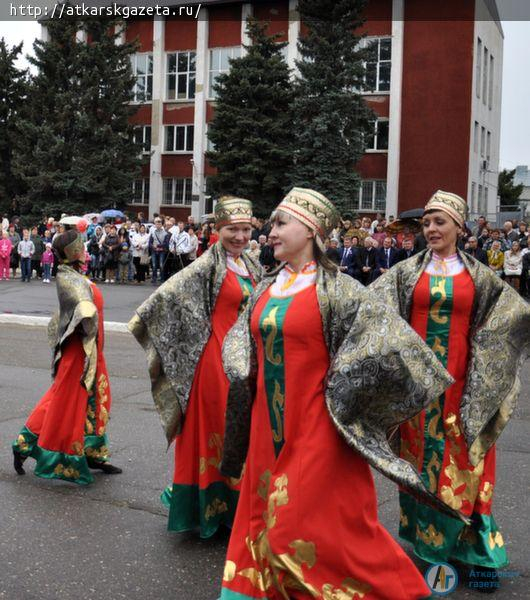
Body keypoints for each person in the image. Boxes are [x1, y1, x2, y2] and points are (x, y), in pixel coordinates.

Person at [219, 187, 458, 600]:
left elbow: (395, 348)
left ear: (310, 229)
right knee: (264, 518)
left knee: (302, 525)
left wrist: (358, 405)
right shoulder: (266, 285)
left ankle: (393, 589)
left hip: (315, 426)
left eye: (280, 223)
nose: (269, 232)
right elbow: (243, 340)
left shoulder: (342, 291)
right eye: (271, 224)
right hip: (266, 426)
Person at [371, 190, 530, 588]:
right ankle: (430, 551)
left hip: (464, 388)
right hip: (420, 392)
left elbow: (511, 318)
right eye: (426, 223)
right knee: (422, 462)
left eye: (439, 221)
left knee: (466, 463)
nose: (431, 229)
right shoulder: (407, 273)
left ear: (460, 226)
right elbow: (369, 311)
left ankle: (474, 551)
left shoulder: (481, 277)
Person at [129, 197, 261, 538]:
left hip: (245, 363)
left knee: (243, 432)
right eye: (233, 229)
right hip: (214, 363)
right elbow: (160, 301)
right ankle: (209, 512)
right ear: (217, 230)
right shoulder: (206, 266)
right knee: (218, 431)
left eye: (246, 229)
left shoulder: (252, 264)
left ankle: (237, 510)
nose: (240, 236)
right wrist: (185, 343)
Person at [12, 229, 122, 482]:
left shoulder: (76, 275)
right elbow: (81, 305)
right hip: (79, 352)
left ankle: (93, 452)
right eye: (80, 247)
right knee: (64, 401)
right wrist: (86, 313)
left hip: (92, 349)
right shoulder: (66, 278)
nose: (85, 250)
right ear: (73, 252)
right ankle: (24, 445)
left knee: (96, 401)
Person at [149, 218, 170, 284]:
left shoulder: (165, 233)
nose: (158, 225)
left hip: (162, 251)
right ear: (155, 225)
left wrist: (158, 246)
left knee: (161, 265)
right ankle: (154, 278)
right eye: (157, 224)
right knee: (154, 265)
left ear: (161, 225)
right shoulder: (152, 233)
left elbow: (166, 244)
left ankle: (162, 278)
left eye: (159, 224)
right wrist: (153, 247)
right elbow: (150, 243)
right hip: (154, 251)